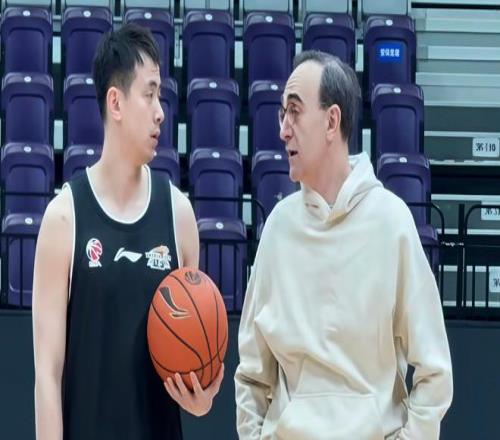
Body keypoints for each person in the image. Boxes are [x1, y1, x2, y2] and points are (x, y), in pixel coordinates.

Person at [235, 50, 453, 440]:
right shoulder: (278, 228)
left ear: (332, 121)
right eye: (282, 114)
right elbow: (252, 375)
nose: (283, 129)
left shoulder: (391, 222)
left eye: (294, 112)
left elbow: (435, 372)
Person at [32, 24, 223, 440]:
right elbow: (46, 375)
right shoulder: (64, 218)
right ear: (115, 103)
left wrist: (201, 397)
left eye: (161, 96)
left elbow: (193, 364)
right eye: (149, 94)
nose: (161, 111)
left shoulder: (179, 214)